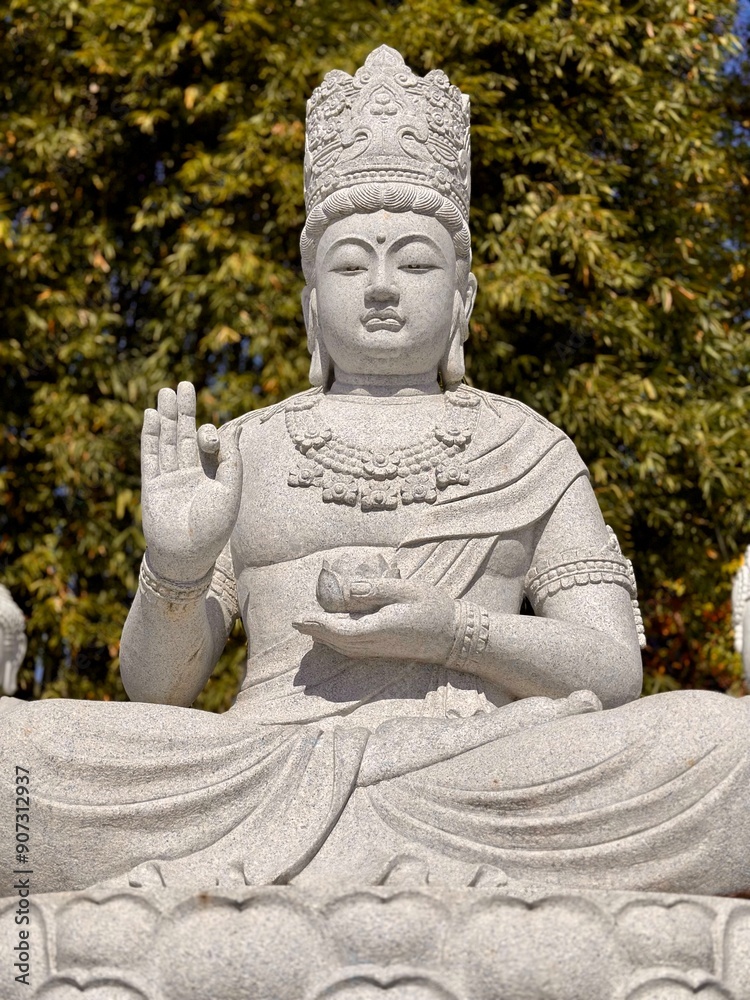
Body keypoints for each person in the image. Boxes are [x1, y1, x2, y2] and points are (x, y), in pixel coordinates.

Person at [2, 46, 749, 897]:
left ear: (463, 296)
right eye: (352, 264)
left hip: (483, 775)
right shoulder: (245, 448)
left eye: (419, 264)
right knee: (14, 761)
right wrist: (174, 565)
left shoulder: (530, 445)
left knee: (727, 748)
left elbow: (613, 673)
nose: (384, 288)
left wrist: (452, 634)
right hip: (258, 768)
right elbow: (158, 691)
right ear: (311, 299)